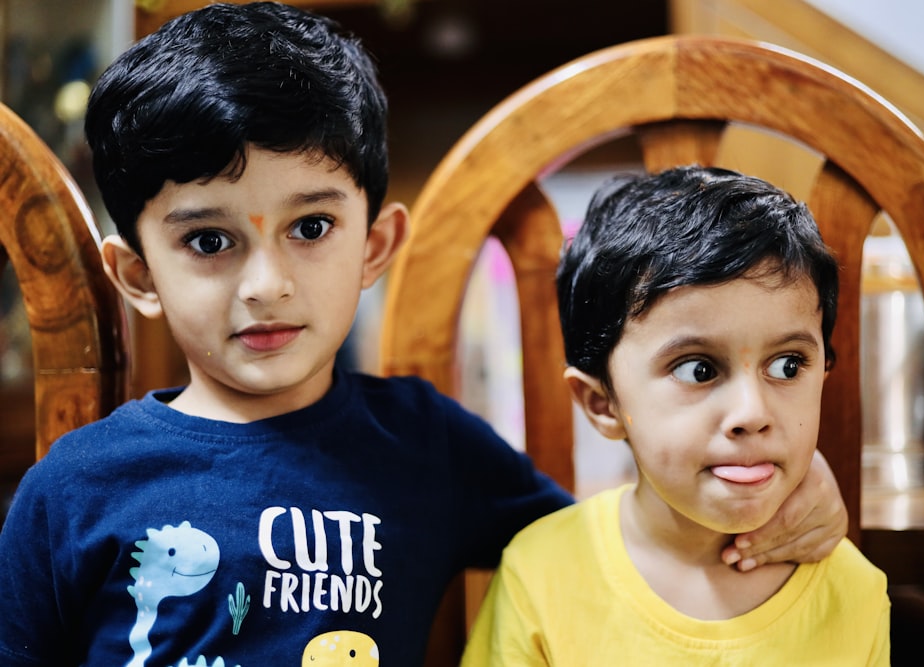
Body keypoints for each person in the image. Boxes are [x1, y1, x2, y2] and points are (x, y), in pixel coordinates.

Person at [0, 4, 847, 665]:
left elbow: (614, 542)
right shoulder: (73, 487)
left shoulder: (424, 443)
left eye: (311, 228)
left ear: (374, 247)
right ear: (139, 274)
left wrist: (792, 491)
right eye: (210, 241)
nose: (267, 284)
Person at [462, 166, 890, 665]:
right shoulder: (538, 576)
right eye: (699, 369)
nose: (751, 414)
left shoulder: (854, 592)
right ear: (603, 404)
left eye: (787, 365)